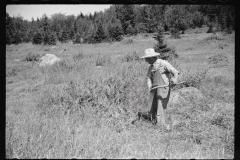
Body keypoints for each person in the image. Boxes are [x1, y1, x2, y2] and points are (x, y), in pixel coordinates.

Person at [140, 48, 179, 130]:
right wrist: (150, 87)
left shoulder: (163, 63)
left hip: (163, 88)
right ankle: (155, 122)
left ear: (152, 57)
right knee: (153, 106)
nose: (146, 61)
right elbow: (148, 78)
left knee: (161, 106)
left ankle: (161, 126)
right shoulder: (151, 67)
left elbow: (175, 71)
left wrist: (175, 79)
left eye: (146, 59)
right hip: (154, 89)